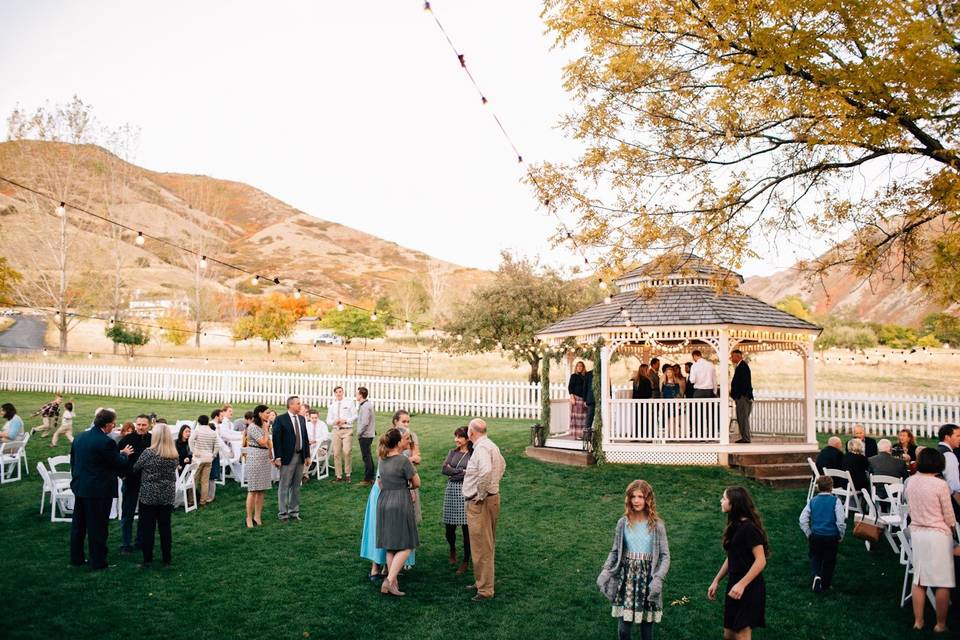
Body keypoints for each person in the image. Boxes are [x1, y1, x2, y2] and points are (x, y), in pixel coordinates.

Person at [603, 480, 671, 640]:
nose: (636, 500)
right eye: (633, 496)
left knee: (646, 630)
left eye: (640, 496)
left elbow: (665, 556)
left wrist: (658, 579)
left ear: (648, 499)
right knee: (624, 630)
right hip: (627, 580)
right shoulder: (622, 523)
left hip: (648, 580)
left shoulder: (657, 525)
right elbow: (614, 551)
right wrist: (606, 571)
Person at [69, 409, 134, 570]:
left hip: (80, 487)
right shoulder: (106, 442)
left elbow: (75, 461)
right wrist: (124, 454)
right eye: (113, 424)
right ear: (106, 425)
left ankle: (76, 558)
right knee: (98, 527)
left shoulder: (79, 437)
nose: (113, 427)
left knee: (79, 526)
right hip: (98, 490)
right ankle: (98, 561)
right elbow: (117, 462)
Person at [360, 412, 417, 583]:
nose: (409, 440)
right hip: (385, 494)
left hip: (387, 493)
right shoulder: (393, 457)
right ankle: (377, 567)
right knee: (381, 529)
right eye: (406, 438)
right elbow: (380, 481)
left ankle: (387, 569)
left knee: (388, 532)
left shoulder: (392, 455)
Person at [904, 447, 957, 633]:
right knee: (943, 581)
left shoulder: (910, 482)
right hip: (938, 535)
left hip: (918, 533)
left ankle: (918, 622)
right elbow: (949, 516)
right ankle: (940, 624)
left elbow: (910, 508)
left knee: (919, 579)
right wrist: (954, 531)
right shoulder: (940, 484)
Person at [707, 486, 768, 640]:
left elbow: (761, 561)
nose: (721, 501)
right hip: (734, 585)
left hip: (749, 587)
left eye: (724, 498)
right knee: (728, 634)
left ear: (734, 503)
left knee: (741, 635)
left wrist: (742, 584)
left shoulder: (749, 529)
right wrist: (716, 580)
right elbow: (732, 557)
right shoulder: (735, 525)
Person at [462, 418, 506, 602]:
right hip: (492, 499)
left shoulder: (481, 448)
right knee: (483, 544)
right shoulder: (491, 445)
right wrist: (493, 483)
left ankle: (485, 590)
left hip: (482, 502)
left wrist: (480, 494)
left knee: (482, 546)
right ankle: (481, 582)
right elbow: (502, 465)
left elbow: (486, 471)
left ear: (471, 433)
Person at [376, 427, 421, 597]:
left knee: (391, 545)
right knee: (407, 544)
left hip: (384, 500)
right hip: (400, 500)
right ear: (398, 442)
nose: (407, 441)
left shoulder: (382, 459)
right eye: (404, 439)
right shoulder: (403, 460)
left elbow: (380, 482)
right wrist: (407, 486)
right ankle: (389, 580)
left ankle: (393, 583)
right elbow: (417, 483)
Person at [133, 423, 178, 567]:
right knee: (165, 528)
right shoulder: (173, 454)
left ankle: (147, 558)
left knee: (148, 528)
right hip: (167, 494)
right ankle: (167, 558)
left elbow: (135, 467)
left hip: (149, 495)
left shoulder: (148, 453)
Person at [799, 475, 845, 593]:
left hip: (816, 535)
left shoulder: (812, 501)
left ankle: (816, 575)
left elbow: (803, 519)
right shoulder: (836, 501)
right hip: (831, 536)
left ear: (818, 488)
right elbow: (840, 521)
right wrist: (840, 534)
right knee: (830, 560)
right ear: (831, 487)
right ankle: (826, 583)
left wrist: (808, 533)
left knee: (815, 556)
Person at [272, 395, 311, 521]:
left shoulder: (301, 419)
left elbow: (305, 437)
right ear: (291, 405)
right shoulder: (281, 419)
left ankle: (294, 512)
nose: (300, 406)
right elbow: (276, 439)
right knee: (284, 485)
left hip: (300, 456)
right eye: (298, 403)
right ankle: (283, 513)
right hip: (287, 457)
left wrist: (307, 455)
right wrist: (277, 457)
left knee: (296, 486)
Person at [118, 414, 152, 554]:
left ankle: (140, 540)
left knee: (145, 513)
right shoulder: (127, 439)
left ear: (149, 425)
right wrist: (122, 475)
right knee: (128, 513)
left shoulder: (152, 440)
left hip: (147, 482)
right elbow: (116, 458)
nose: (140, 427)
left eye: (143, 425)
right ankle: (126, 544)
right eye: (138, 424)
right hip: (130, 481)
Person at [442, 426, 473, 576]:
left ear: (467, 438)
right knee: (449, 527)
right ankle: (452, 548)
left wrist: (453, 471)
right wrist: (462, 472)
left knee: (467, 528)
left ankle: (466, 559)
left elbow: (472, 473)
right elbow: (444, 469)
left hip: (466, 491)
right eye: (455, 436)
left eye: (459, 437)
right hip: (451, 491)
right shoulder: (452, 453)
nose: (456, 440)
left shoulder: (473, 454)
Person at [245, 404, 273, 528]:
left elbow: (268, 443)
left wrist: (271, 455)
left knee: (261, 490)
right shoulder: (253, 427)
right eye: (267, 413)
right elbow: (262, 442)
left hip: (264, 458)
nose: (269, 415)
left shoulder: (264, 425)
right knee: (253, 490)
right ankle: (249, 518)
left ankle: (257, 516)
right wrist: (267, 429)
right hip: (255, 457)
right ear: (260, 414)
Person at [189, 414, 225, 507]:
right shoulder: (212, 432)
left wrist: (194, 451)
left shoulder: (197, 430)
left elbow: (190, 440)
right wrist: (213, 455)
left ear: (199, 422)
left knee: (194, 480)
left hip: (198, 458)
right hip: (209, 459)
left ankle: (191, 500)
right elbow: (217, 445)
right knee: (205, 481)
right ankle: (203, 501)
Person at [326, 386, 356, 482]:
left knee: (347, 451)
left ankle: (348, 473)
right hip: (336, 431)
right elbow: (328, 421)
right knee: (336, 453)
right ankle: (338, 475)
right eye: (337, 392)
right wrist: (335, 421)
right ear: (334, 394)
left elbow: (355, 416)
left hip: (347, 430)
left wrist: (346, 420)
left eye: (340, 391)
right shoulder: (332, 406)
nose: (339, 393)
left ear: (343, 392)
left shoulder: (349, 402)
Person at [936, 423, 960, 520]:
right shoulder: (949, 456)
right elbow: (954, 486)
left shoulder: (937, 451)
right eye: (957, 436)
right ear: (947, 437)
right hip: (949, 504)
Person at [730, 350, 753, 444]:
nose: (731, 358)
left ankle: (746, 438)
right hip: (741, 396)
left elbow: (743, 383)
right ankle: (744, 437)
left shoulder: (743, 366)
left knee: (743, 417)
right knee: (741, 417)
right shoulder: (740, 366)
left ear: (738, 356)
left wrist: (738, 395)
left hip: (743, 397)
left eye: (732, 356)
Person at [356, 387, 376, 487]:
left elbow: (364, 423)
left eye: (357, 393)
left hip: (366, 435)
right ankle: (371, 476)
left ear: (361, 395)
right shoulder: (366, 405)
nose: (356, 395)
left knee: (366, 456)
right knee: (368, 456)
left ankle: (368, 479)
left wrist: (359, 433)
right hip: (368, 434)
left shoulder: (365, 406)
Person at [568, 361, 590, 440]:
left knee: (584, 417)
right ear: (576, 367)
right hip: (576, 399)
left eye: (581, 366)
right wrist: (572, 397)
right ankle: (576, 434)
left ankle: (583, 434)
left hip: (584, 399)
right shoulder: (573, 376)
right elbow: (570, 387)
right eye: (578, 366)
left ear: (583, 367)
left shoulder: (586, 376)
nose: (579, 367)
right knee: (576, 418)